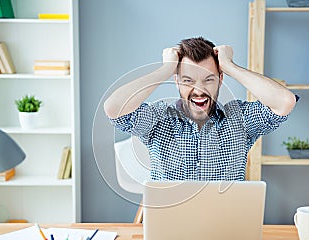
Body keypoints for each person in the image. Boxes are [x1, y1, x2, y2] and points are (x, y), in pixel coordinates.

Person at [104, 37, 297, 181]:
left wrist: (230, 66)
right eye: (188, 80)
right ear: (177, 82)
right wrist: (166, 69)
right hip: (170, 232)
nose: (199, 91)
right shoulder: (158, 118)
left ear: (221, 79)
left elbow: (284, 102)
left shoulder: (240, 119)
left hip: (226, 232)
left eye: (208, 79)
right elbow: (114, 108)